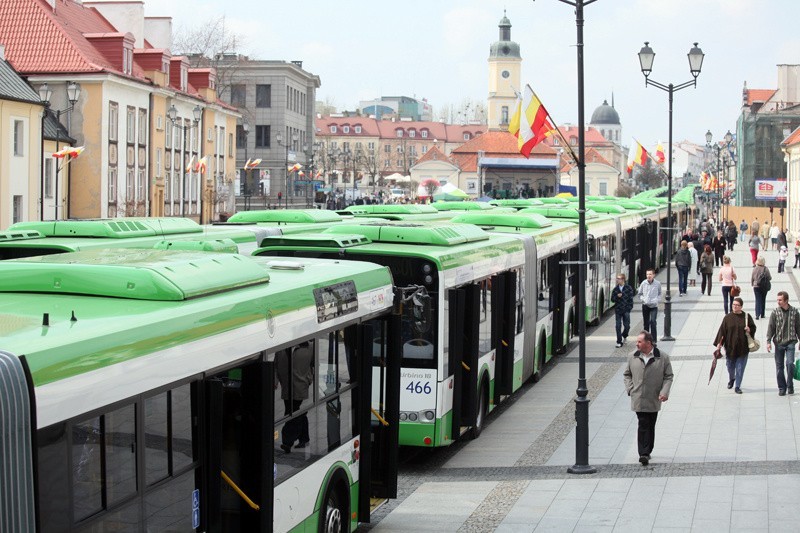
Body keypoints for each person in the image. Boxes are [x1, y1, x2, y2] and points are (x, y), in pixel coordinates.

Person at [623, 331, 673, 466]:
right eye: (637, 341)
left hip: (654, 397)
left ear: (648, 343)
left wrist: (664, 392)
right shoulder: (632, 356)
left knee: (651, 423)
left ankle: (648, 448)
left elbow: (668, 376)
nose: (637, 344)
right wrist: (630, 389)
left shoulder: (662, 357)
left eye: (639, 341)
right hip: (638, 397)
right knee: (643, 423)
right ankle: (643, 453)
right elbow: (627, 374)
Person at [275, 341, 315, 453]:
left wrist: (309, 379)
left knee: (291, 413)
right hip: (286, 387)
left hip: (300, 386)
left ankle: (287, 442)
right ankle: (304, 438)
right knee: (296, 412)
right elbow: (275, 365)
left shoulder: (309, 347)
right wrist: (276, 380)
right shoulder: (281, 347)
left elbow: (314, 364)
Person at [713, 297, 756, 394]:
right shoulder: (727, 318)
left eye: (737, 305)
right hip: (730, 348)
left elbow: (753, 328)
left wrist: (749, 330)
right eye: (733, 305)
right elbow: (722, 332)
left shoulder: (746, 317)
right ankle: (732, 378)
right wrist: (719, 345)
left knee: (740, 368)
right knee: (730, 366)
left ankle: (737, 386)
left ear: (741, 307)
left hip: (743, 348)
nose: (735, 307)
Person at [766, 291, 800, 396]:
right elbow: (771, 327)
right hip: (779, 343)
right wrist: (768, 341)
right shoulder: (775, 312)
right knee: (779, 367)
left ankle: (790, 385)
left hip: (791, 342)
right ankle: (782, 387)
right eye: (777, 300)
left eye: (780, 300)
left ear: (786, 300)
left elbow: (798, 327)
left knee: (790, 364)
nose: (778, 302)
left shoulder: (795, 311)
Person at [612, 273, 635, 348]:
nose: (617, 280)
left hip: (626, 309)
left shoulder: (628, 288)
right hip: (618, 310)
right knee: (618, 326)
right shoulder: (616, 289)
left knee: (627, 326)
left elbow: (631, 299)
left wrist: (629, 308)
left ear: (623, 279)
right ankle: (619, 341)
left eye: (619, 279)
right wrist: (617, 297)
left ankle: (624, 335)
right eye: (617, 279)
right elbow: (612, 299)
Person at [637, 269, 661, 337]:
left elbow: (660, 293)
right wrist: (643, 299)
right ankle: (646, 339)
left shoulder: (657, 283)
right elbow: (639, 294)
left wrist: (657, 300)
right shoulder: (643, 283)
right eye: (647, 274)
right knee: (646, 323)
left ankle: (654, 339)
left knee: (653, 322)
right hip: (645, 305)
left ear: (653, 275)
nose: (648, 276)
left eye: (650, 274)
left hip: (654, 306)